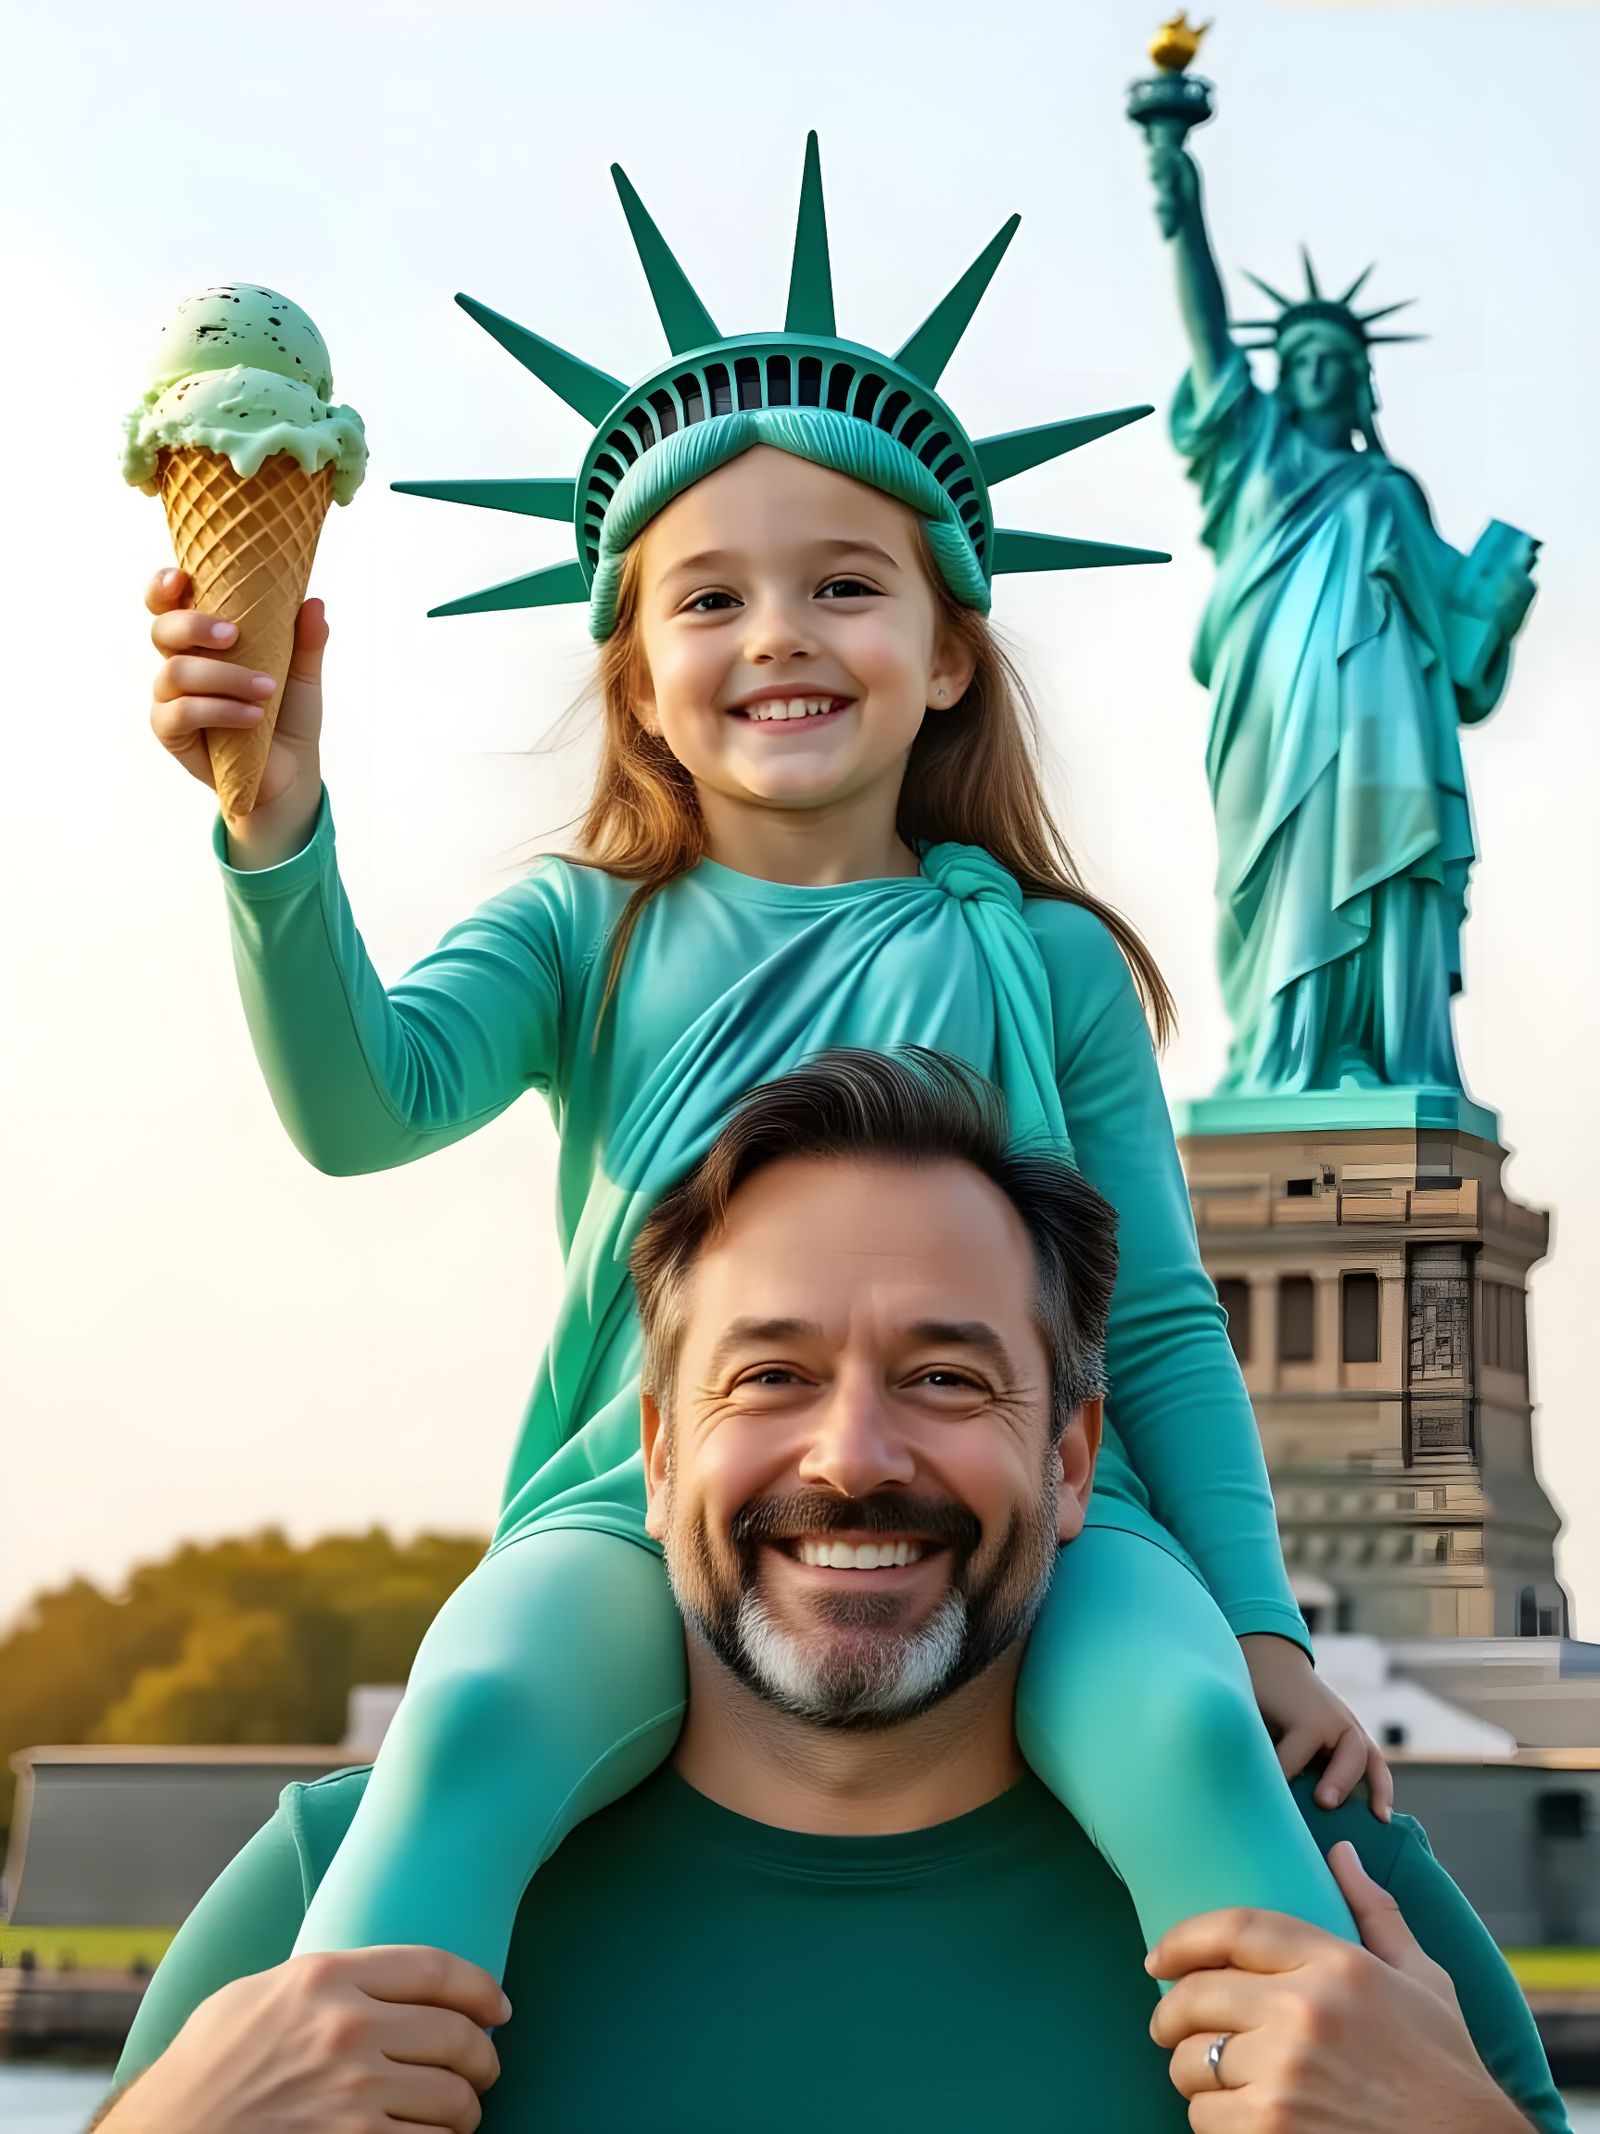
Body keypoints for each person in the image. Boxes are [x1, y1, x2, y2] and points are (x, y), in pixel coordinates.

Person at [142, 136, 1390, 1986]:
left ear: (949, 653)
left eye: (846, 587)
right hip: (640, 1502)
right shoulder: (586, 927)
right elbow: (356, 1103)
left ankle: (1344, 2079)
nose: (779, 634)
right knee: (476, 1712)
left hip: (1049, 1501)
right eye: (708, 598)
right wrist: (274, 820)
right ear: (638, 677)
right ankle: (328, 2070)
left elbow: (1163, 1321)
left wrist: (1265, 1629)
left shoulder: (1041, 951)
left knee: (1200, 1741)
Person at [101, 1052, 1565, 2132]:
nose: (854, 1456)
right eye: (773, 1375)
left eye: (942, 1376)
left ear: (1071, 1462)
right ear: (659, 1455)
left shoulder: (1349, 1910)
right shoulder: (329, 1892)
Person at [1144, 124, 1539, 1097]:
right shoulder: (1253, 450)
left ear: (1361, 378)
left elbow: (1459, 641)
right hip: (1274, 702)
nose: (1318, 365)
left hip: (1385, 713)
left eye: (1335, 354)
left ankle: (1372, 1051)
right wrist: (1177, 190)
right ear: (1278, 372)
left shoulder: (1389, 491)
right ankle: (1286, 1053)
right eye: (1300, 352)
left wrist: (1498, 591)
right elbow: (1205, 329)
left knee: (1384, 855)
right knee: (1281, 862)